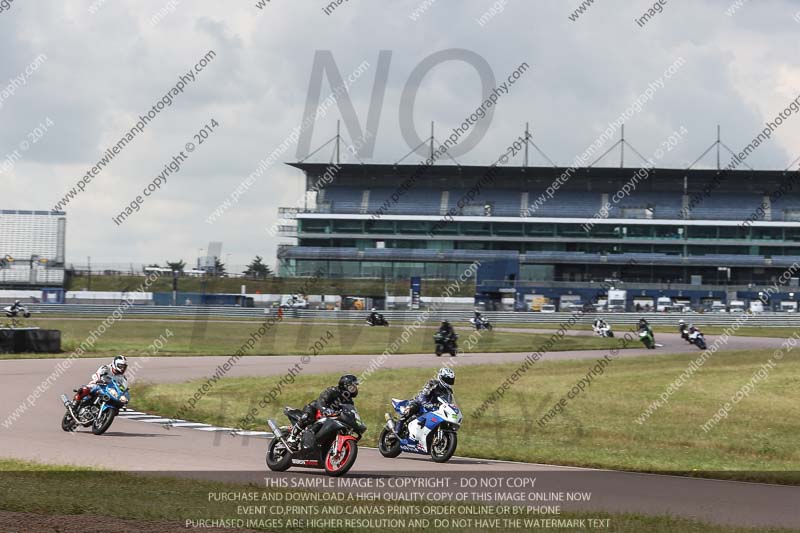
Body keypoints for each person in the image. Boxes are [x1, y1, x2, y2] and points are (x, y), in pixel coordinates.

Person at [289, 374, 360, 443]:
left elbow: (350, 412)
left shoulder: (349, 401)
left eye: (355, 386)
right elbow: (321, 400)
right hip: (315, 410)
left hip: (329, 418)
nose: (355, 388)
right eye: (353, 386)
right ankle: (292, 437)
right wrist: (324, 409)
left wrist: (356, 423)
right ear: (346, 385)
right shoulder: (332, 391)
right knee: (307, 417)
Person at [395, 368, 455, 437]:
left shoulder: (448, 392)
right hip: (420, 403)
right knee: (411, 409)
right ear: (441, 377)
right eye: (448, 380)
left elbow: (449, 404)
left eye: (451, 380)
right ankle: (396, 432)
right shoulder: (433, 383)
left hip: (435, 410)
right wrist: (426, 403)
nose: (449, 382)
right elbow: (422, 395)